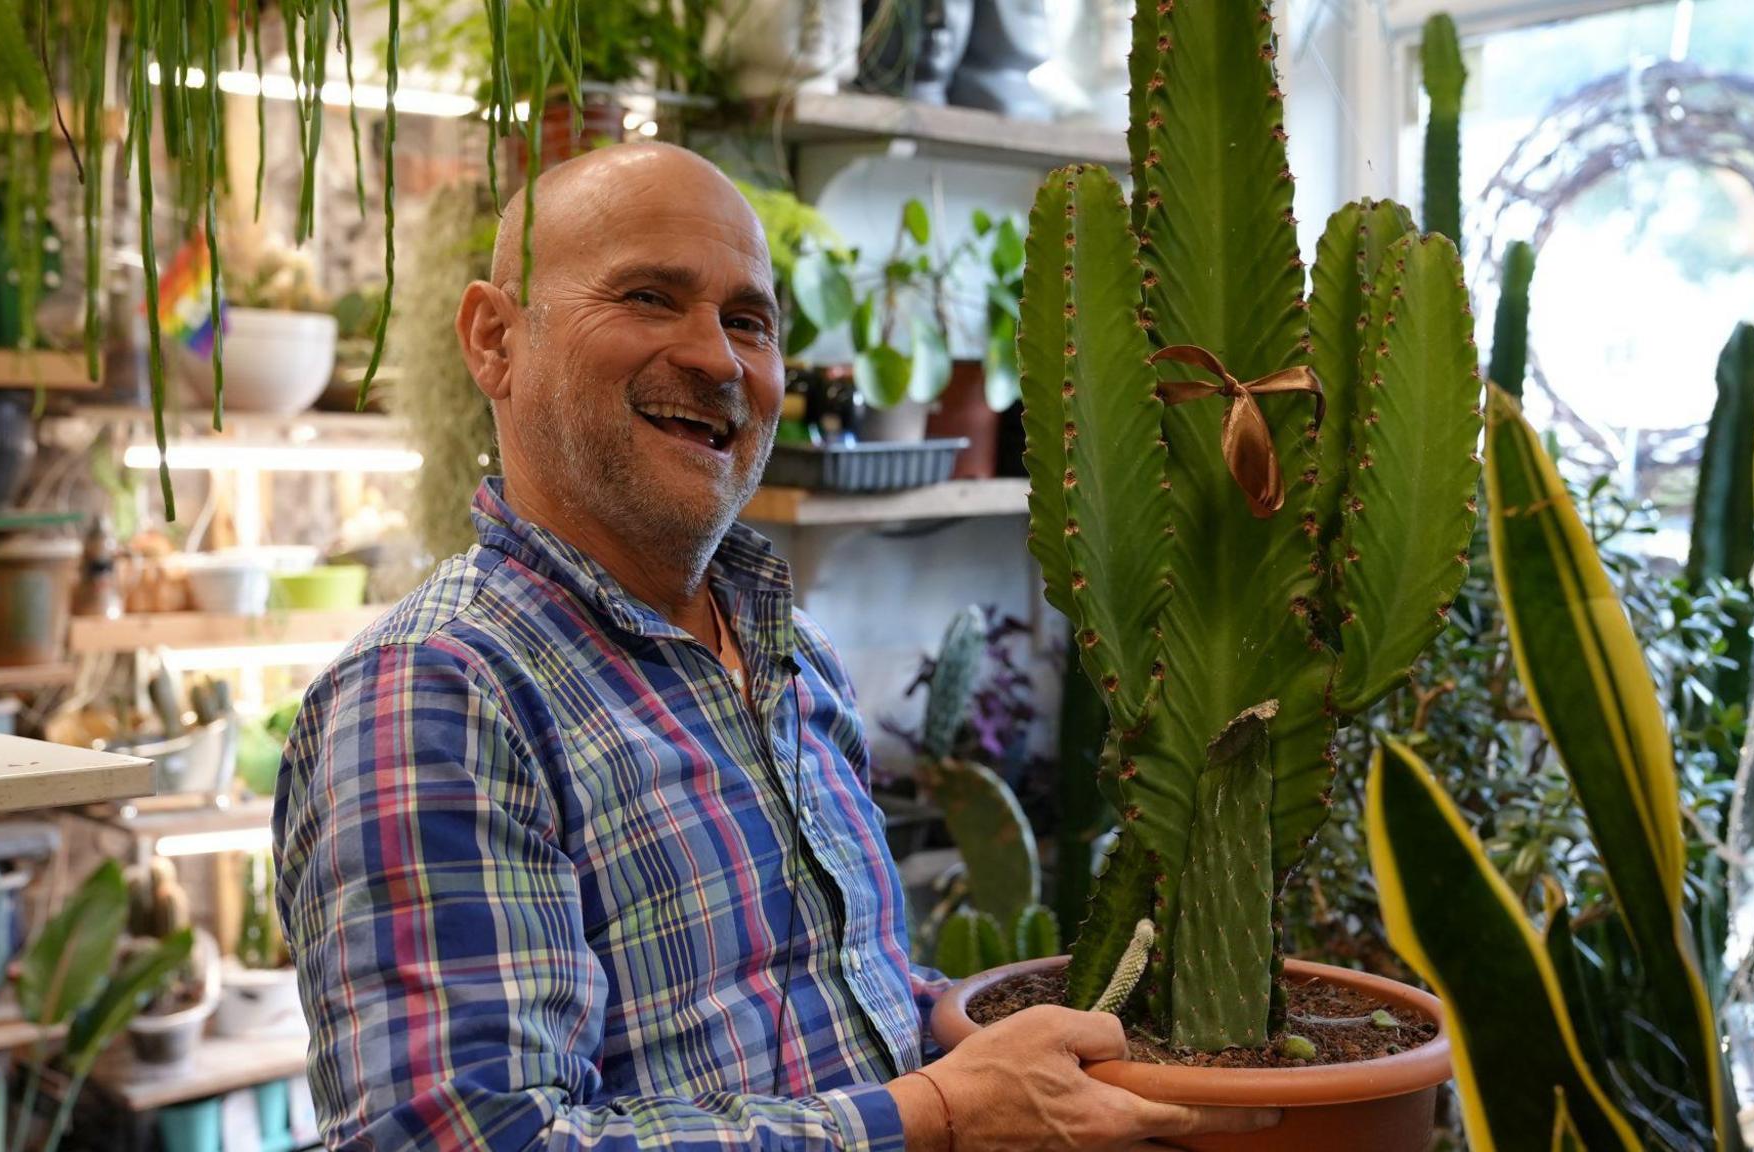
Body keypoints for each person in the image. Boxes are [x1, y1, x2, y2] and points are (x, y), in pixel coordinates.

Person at [273, 142, 1278, 1152]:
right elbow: (469, 1139)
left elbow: (821, 1011)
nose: (715, 359)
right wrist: (937, 1114)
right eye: (649, 298)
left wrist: (975, 1028)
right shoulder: (435, 697)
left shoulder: (791, 656)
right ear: (494, 339)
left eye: (746, 321)